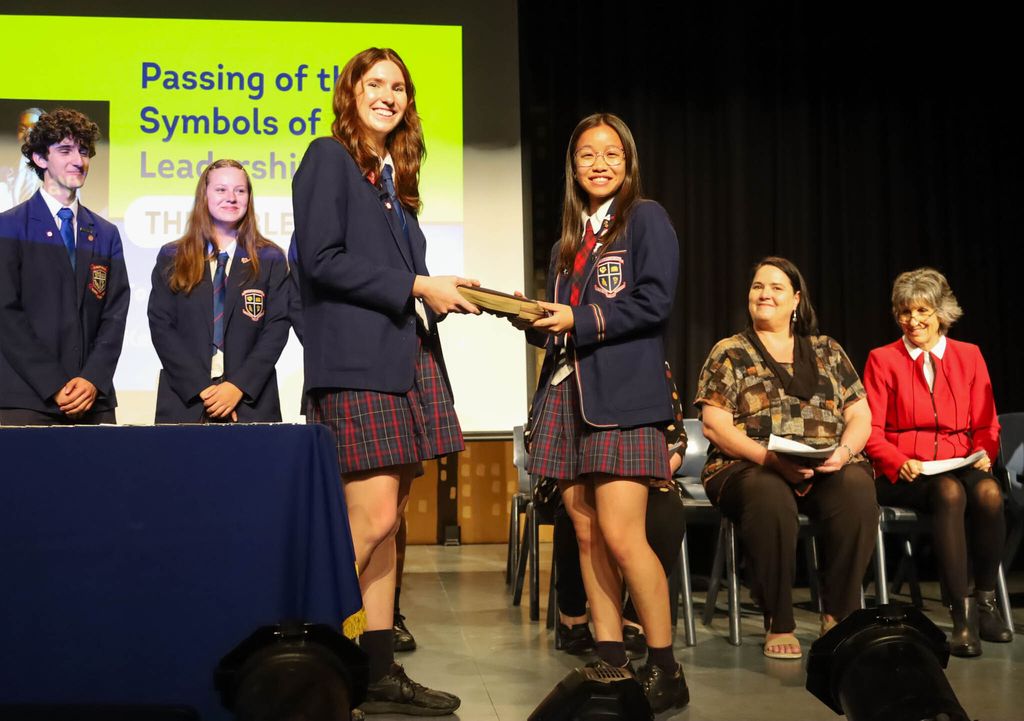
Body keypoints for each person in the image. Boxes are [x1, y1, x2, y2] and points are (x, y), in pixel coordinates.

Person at [291, 47, 479, 717]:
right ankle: (298, 662)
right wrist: (418, 285)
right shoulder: (328, 158)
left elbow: (398, 276)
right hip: (356, 368)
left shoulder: (392, 182)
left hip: (400, 362)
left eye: (398, 87)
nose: (388, 95)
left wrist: (447, 292)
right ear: (350, 93)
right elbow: (320, 260)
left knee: (389, 521)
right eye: (374, 83)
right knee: (366, 521)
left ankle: (377, 670)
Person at [515, 112, 687, 713]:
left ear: (628, 161)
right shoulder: (568, 242)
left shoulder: (645, 218)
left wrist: (577, 318)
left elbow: (654, 302)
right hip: (566, 398)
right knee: (585, 531)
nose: (599, 164)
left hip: (622, 399)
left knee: (621, 534)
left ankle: (665, 666)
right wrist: (529, 318)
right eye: (587, 154)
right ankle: (611, 659)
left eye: (612, 153)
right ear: (573, 166)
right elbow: (562, 327)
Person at [694, 256, 878, 660]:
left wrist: (844, 452)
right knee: (770, 494)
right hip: (747, 465)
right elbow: (715, 426)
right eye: (758, 286)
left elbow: (860, 415)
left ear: (796, 299)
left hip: (824, 463)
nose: (765, 294)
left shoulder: (828, 350)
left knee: (858, 487)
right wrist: (770, 460)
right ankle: (778, 620)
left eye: (776, 288)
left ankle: (838, 614)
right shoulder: (730, 352)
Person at [863, 267, 1010, 657]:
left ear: (941, 313)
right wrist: (897, 459)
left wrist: (984, 453)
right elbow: (870, 431)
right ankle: (961, 617)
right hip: (906, 472)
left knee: (990, 493)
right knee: (948, 493)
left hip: (960, 462)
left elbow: (987, 423)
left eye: (922, 311)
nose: (913, 321)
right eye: (905, 312)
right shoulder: (882, 359)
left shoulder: (969, 355)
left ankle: (986, 604)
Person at [0, 107, 129, 425]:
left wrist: (92, 378)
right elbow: (6, 316)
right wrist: (54, 384)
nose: (78, 161)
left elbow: (114, 314)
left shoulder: (105, 233)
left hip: (93, 400)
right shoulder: (10, 227)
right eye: (65, 150)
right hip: (28, 399)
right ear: (40, 158)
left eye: (83, 151)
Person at [551, 362, 687, 659]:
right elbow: (541, 436)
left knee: (661, 516)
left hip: (648, 474)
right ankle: (590, 634)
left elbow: (677, 440)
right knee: (581, 521)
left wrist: (653, 470)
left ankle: (639, 627)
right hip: (582, 472)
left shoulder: (645, 365)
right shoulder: (564, 369)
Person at [148, 159, 290, 423]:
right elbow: (161, 326)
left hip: (250, 403)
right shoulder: (172, 256)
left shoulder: (270, 258)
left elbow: (277, 328)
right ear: (204, 195)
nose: (231, 197)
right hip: (186, 402)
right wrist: (202, 389)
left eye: (240, 190)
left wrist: (237, 387)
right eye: (221, 189)